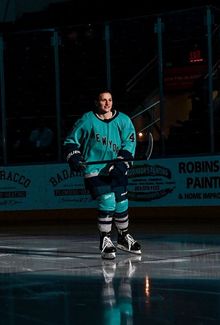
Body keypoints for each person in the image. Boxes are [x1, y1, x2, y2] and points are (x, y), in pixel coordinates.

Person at [63, 90, 141, 260]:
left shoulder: (123, 120)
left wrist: (121, 163)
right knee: (107, 200)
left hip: (116, 167)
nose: (107, 103)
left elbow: (129, 144)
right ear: (96, 102)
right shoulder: (88, 119)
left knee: (122, 201)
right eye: (103, 100)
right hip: (95, 170)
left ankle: (123, 237)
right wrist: (75, 156)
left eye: (110, 100)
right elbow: (71, 141)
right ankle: (105, 239)